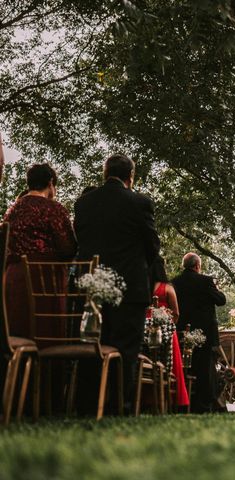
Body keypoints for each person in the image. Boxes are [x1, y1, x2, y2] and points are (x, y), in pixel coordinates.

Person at [74, 154, 161, 413]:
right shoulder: (139, 203)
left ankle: (88, 405)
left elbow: (81, 241)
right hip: (129, 287)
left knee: (92, 346)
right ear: (130, 177)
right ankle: (119, 405)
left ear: (105, 173)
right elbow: (152, 247)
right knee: (126, 350)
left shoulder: (84, 203)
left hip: (92, 287)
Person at [3, 163, 77, 339]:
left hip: (15, 276)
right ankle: (47, 365)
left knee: (19, 328)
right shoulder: (54, 209)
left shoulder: (12, 210)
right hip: (45, 279)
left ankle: (20, 365)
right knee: (46, 331)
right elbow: (68, 249)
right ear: (51, 183)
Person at [172, 253, 227, 413]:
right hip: (205, 333)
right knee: (205, 370)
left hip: (183, 332)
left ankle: (184, 404)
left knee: (185, 368)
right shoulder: (205, 281)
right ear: (197, 266)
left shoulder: (175, 282)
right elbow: (221, 300)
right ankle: (204, 406)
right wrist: (217, 289)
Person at [149, 256, 189, 409]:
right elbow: (176, 313)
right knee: (172, 368)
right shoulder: (167, 288)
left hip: (145, 331)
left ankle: (147, 399)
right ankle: (173, 401)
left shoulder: (145, 287)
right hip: (165, 331)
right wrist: (170, 326)